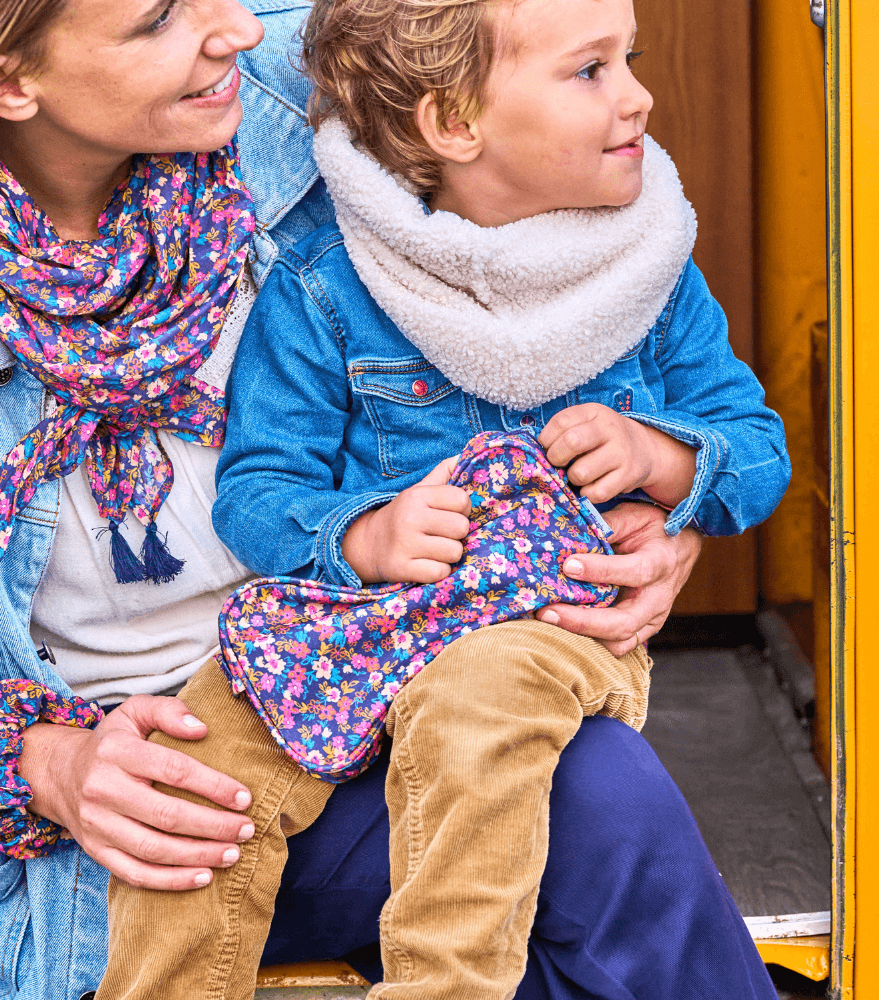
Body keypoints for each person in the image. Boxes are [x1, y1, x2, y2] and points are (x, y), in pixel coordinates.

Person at [0, 1, 744, 999]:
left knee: (598, 798)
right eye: (157, 19)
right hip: (98, 824)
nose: (238, 29)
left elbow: (566, 334)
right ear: (13, 80)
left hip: (367, 678)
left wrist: (663, 506)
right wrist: (42, 763)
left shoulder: (325, 110)